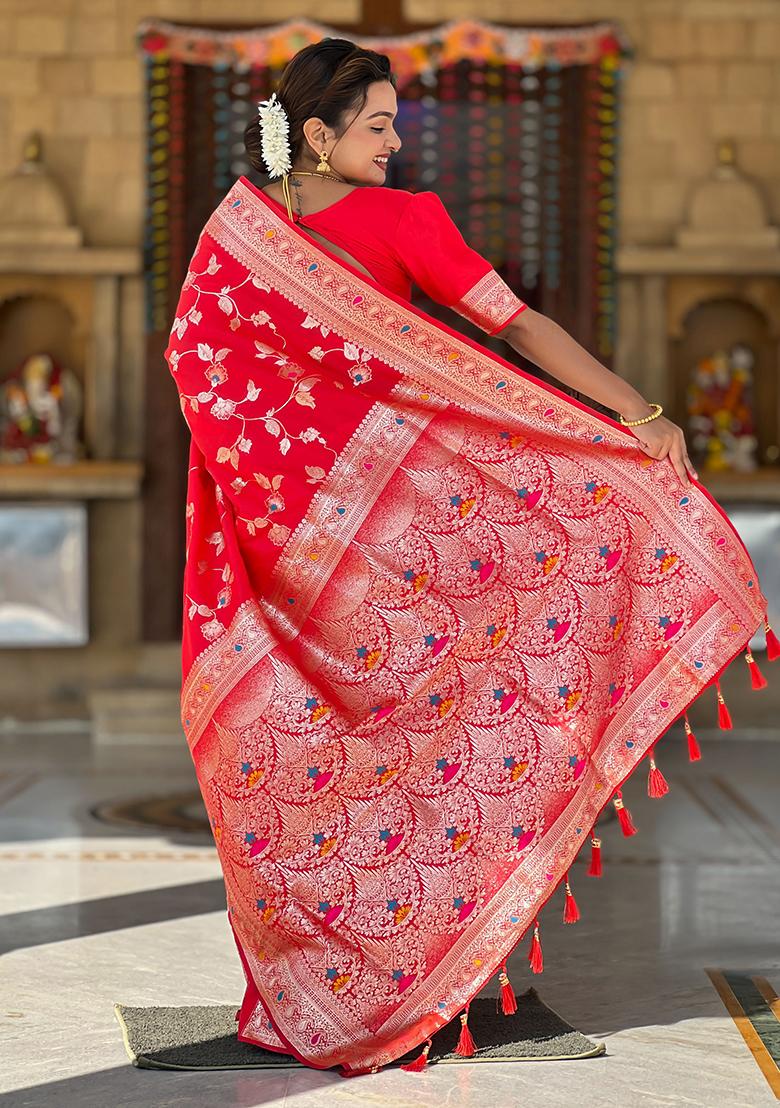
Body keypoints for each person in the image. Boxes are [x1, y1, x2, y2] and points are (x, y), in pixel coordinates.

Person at [164, 38, 770, 1078]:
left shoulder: (404, 220)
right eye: (378, 125)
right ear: (314, 133)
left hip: (417, 575)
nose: (397, 145)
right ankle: (306, 995)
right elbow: (203, 364)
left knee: (441, 773)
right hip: (297, 579)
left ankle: (462, 979)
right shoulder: (240, 235)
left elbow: (517, 328)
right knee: (277, 772)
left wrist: (640, 415)